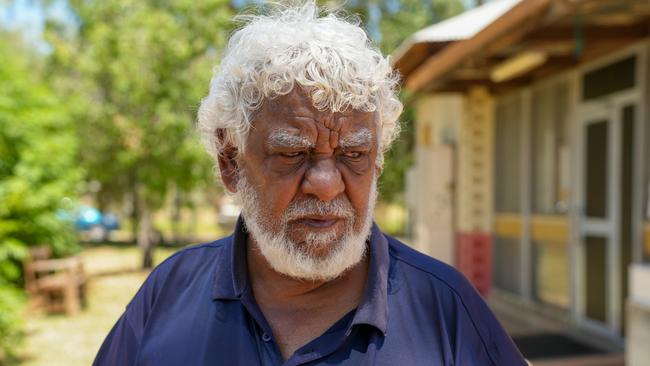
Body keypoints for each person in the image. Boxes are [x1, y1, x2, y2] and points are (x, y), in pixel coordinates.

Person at [93, 3, 527, 365]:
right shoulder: (168, 294)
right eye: (292, 154)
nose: (325, 184)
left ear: (376, 163)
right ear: (230, 162)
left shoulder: (445, 309)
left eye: (353, 155)